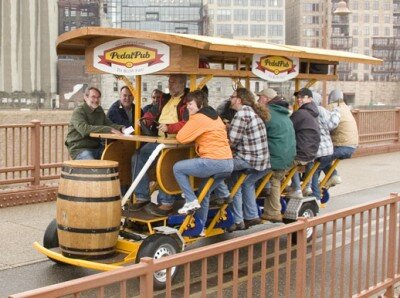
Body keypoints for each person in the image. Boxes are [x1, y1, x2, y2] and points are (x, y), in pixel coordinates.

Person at [128, 74, 189, 215]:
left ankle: (166, 202)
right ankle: (142, 196)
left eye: (173, 82)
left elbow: (187, 122)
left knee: (165, 162)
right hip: (161, 140)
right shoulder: (165, 98)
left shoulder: (188, 100)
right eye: (169, 81)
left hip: (178, 143)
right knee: (138, 156)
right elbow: (152, 112)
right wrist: (145, 120)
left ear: (182, 83)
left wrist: (170, 127)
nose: (170, 85)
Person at [173, 90, 233, 217]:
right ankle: (201, 226)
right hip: (228, 162)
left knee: (178, 168)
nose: (187, 107)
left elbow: (181, 138)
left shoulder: (198, 118)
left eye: (190, 104)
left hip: (213, 161)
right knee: (203, 193)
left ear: (199, 104)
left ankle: (190, 200)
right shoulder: (215, 116)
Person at [220, 88, 271, 232]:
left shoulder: (241, 115)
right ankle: (251, 215)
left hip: (250, 160)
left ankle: (234, 215)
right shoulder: (251, 113)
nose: (230, 99)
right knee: (244, 182)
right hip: (263, 161)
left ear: (239, 99)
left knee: (222, 170)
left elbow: (232, 142)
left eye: (232, 97)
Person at [257, 90, 296, 222]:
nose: (258, 101)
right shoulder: (283, 113)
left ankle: (273, 212)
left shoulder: (267, 114)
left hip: (276, 158)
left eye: (260, 98)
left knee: (271, 180)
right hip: (287, 156)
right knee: (276, 179)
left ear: (266, 99)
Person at [65, 87, 125, 160]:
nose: (96, 100)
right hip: (79, 148)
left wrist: (122, 128)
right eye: (93, 97)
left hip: (96, 147)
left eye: (98, 97)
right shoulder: (79, 111)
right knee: (93, 167)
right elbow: (84, 130)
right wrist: (109, 129)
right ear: (86, 97)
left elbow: (109, 124)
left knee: (116, 156)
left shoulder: (99, 110)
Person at [306, 91, 340, 200]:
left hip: (317, 149)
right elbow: (331, 124)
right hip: (327, 148)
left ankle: (314, 194)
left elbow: (330, 125)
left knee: (313, 170)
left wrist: (336, 112)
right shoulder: (321, 110)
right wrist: (336, 112)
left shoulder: (314, 110)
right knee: (323, 161)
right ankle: (334, 175)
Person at [323, 89, 359, 187]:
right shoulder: (346, 107)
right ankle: (333, 176)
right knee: (326, 158)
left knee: (319, 160)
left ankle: (310, 188)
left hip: (341, 146)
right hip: (353, 145)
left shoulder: (331, 107)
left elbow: (323, 124)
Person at [290, 87, 320, 198]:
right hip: (313, 151)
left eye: (302, 97)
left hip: (301, 152)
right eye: (298, 97)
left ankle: (297, 189)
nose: (299, 99)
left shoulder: (300, 113)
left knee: (283, 162)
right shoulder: (314, 112)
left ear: (310, 99)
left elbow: (288, 128)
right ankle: (307, 186)